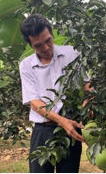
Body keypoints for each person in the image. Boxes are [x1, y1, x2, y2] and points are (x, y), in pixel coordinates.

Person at [19, 14, 93, 173]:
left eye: (48, 41)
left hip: (72, 128)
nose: (45, 48)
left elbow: (87, 82)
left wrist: (89, 99)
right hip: (43, 131)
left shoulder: (72, 54)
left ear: (52, 33)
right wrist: (61, 120)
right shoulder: (26, 66)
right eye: (38, 45)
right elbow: (34, 102)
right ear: (30, 45)